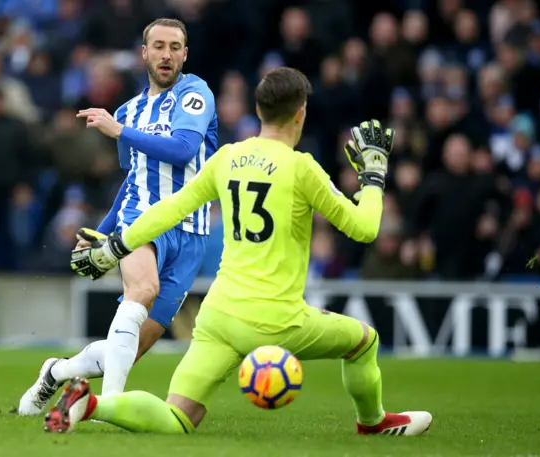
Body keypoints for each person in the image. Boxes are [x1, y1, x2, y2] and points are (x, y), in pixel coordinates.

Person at [50, 67, 432, 437]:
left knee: (178, 415)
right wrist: (373, 178)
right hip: (276, 320)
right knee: (364, 340)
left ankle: (92, 404)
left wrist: (119, 244)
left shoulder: (228, 157)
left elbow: (170, 208)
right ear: (301, 112)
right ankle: (372, 421)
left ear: (258, 111)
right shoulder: (302, 169)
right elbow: (365, 229)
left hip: (218, 315)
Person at [18, 18, 218, 415]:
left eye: (175, 47)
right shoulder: (129, 110)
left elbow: (182, 150)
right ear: (144, 53)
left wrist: (119, 130)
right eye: (158, 46)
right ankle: (108, 406)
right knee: (140, 292)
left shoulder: (196, 93)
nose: (166, 54)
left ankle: (57, 371)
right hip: (143, 218)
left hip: (192, 233)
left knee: (130, 347)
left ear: (185, 54)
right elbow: (132, 182)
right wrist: (101, 233)